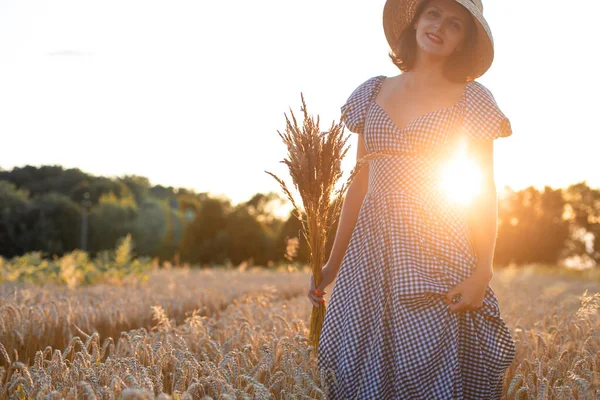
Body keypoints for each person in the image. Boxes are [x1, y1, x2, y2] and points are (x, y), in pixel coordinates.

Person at [307, 0, 516, 398]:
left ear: (462, 42)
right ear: (416, 20)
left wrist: (482, 272)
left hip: (437, 243)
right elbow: (359, 181)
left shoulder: (473, 99)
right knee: (358, 355)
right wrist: (332, 264)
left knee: (432, 358)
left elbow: (483, 189)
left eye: (455, 24)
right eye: (433, 14)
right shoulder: (373, 91)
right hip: (369, 250)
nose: (439, 27)